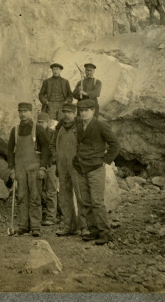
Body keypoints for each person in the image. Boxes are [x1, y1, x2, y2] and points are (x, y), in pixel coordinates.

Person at [73, 99, 120, 245]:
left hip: (95, 168)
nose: (83, 113)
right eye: (81, 111)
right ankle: (93, 230)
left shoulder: (100, 125)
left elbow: (115, 144)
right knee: (86, 201)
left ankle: (105, 232)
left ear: (93, 111)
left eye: (86, 110)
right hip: (81, 168)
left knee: (97, 201)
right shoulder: (80, 126)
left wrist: (105, 160)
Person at [7, 103, 52, 237]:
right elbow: (9, 150)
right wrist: (11, 169)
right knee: (21, 197)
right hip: (20, 168)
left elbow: (46, 149)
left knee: (35, 197)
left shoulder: (37, 129)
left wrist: (43, 167)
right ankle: (23, 226)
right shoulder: (14, 130)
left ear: (31, 112)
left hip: (34, 168)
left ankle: (35, 226)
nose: (23, 114)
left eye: (25, 111)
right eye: (20, 111)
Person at [50, 103, 86, 237]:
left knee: (81, 196)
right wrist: (56, 156)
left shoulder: (80, 127)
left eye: (69, 112)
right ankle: (69, 226)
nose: (66, 114)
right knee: (64, 197)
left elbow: (86, 144)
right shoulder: (59, 128)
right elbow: (52, 144)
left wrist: (81, 159)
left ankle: (84, 227)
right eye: (64, 112)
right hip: (62, 167)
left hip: (77, 167)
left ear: (74, 113)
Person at [36, 112, 58, 227]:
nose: (40, 124)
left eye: (42, 122)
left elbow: (53, 149)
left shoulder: (53, 134)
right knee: (38, 191)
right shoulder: (34, 132)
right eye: (38, 122)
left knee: (51, 190)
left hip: (50, 165)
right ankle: (37, 216)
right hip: (37, 164)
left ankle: (51, 216)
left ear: (47, 122)